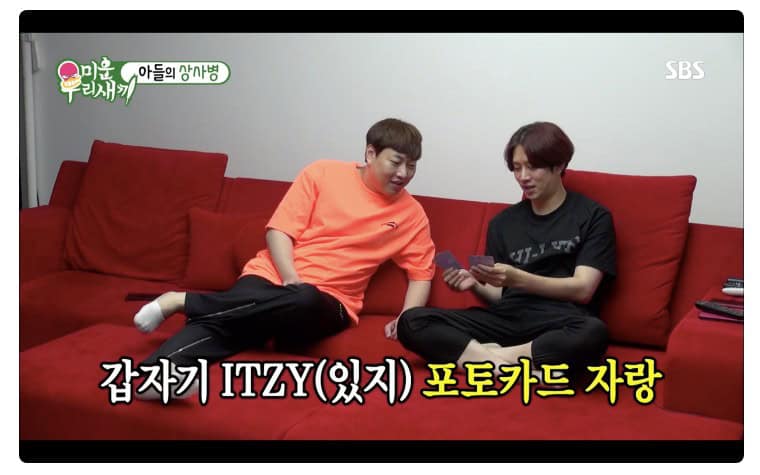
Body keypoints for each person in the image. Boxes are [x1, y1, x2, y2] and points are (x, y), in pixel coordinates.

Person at [132, 118, 435, 400]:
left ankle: (183, 301)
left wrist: (407, 318)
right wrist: (289, 276)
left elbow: (421, 272)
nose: (404, 173)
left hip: (331, 302)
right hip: (271, 276)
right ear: (371, 154)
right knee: (238, 323)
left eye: (412, 166)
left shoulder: (411, 215)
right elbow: (280, 230)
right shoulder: (322, 173)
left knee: (302, 298)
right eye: (396, 162)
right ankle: (155, 377)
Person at [390, 121, 616, 384]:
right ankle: (515, 369)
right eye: (517, 168)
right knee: (412, 321)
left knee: (593, 333)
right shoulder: (503, 223)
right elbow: (499, 295)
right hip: (506, 319)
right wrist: (475, 284)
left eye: (533, 167)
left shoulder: (593, 216)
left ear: (559, 165)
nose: (523, 177)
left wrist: (519, 278)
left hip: (559, 322)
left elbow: (583, 289)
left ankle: (482, 360)